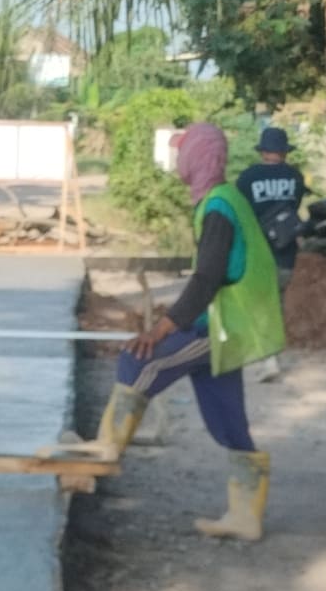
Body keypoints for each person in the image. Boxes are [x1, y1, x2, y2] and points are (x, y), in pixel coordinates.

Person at [53, 119, 284, 541]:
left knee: (139, 359)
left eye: (183, 152)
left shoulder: (217, 207)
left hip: (220, 324)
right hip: (229, 323)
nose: (179, 159)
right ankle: (245, 517)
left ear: (198, 157)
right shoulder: (224, 199)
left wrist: (161, 328)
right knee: (228, 419)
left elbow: (206, 278)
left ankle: (106, 448)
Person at [235, 123, 309, 267]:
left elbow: (241, 210)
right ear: (285, 152)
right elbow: (296, 204)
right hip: (288, 245)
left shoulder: (247, 177)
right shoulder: (295, 175)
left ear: (263, 152)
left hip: (258, 245)